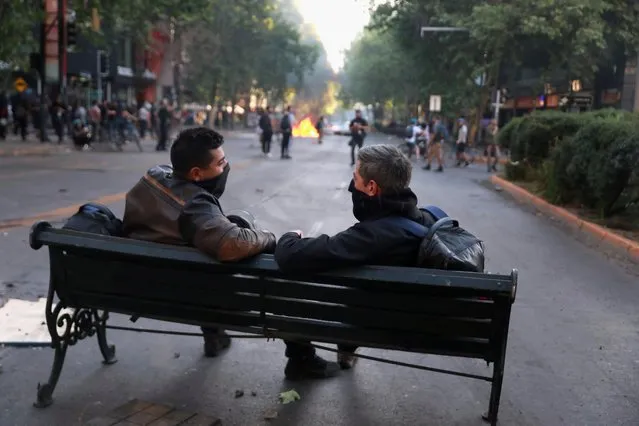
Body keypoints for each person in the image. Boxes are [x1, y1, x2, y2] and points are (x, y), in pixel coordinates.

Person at [122, 127, 339, 379]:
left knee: (205, 250)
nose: (226, 167)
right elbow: (230, 245)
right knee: (281, 279)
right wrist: (271, 239)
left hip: (142, 285)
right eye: (221, 163)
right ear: (196, 173)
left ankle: (214, 335)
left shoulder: (152, 179)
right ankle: (301, 359)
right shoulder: (195, 205)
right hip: (196, 293)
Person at [274, 144, 437, 369]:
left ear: (371, 187)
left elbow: (290, 256)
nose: (353, 185)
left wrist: (291, 236)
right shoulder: (429, 220)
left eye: (355, 178)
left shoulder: (370, 237)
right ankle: (346, 348)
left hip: (370, 322)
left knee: (289, 286)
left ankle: (301, 359)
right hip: (426, 323)